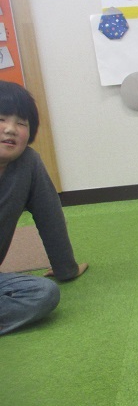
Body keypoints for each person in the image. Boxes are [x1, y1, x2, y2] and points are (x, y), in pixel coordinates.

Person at [0, 81, 88, 335]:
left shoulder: (28, 163)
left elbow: (50, 217)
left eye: (21, 123)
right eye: (1, 119)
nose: (10, 129)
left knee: (44, 293)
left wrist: (65, 268)